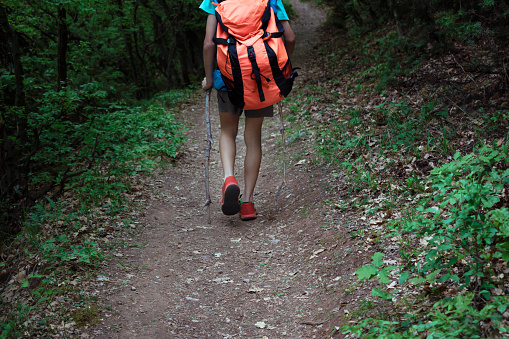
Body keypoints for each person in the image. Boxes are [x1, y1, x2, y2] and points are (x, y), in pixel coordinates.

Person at [200, 0, 295, 221]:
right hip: (259, 79)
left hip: (227, 79)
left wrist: (208, 79)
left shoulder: (215, 1)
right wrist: (281, 69)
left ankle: (229, 178)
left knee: (227, 132)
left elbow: (208, 44)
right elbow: (289, 37)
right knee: (253, 137)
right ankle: (248, 203)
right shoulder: (270, 0)